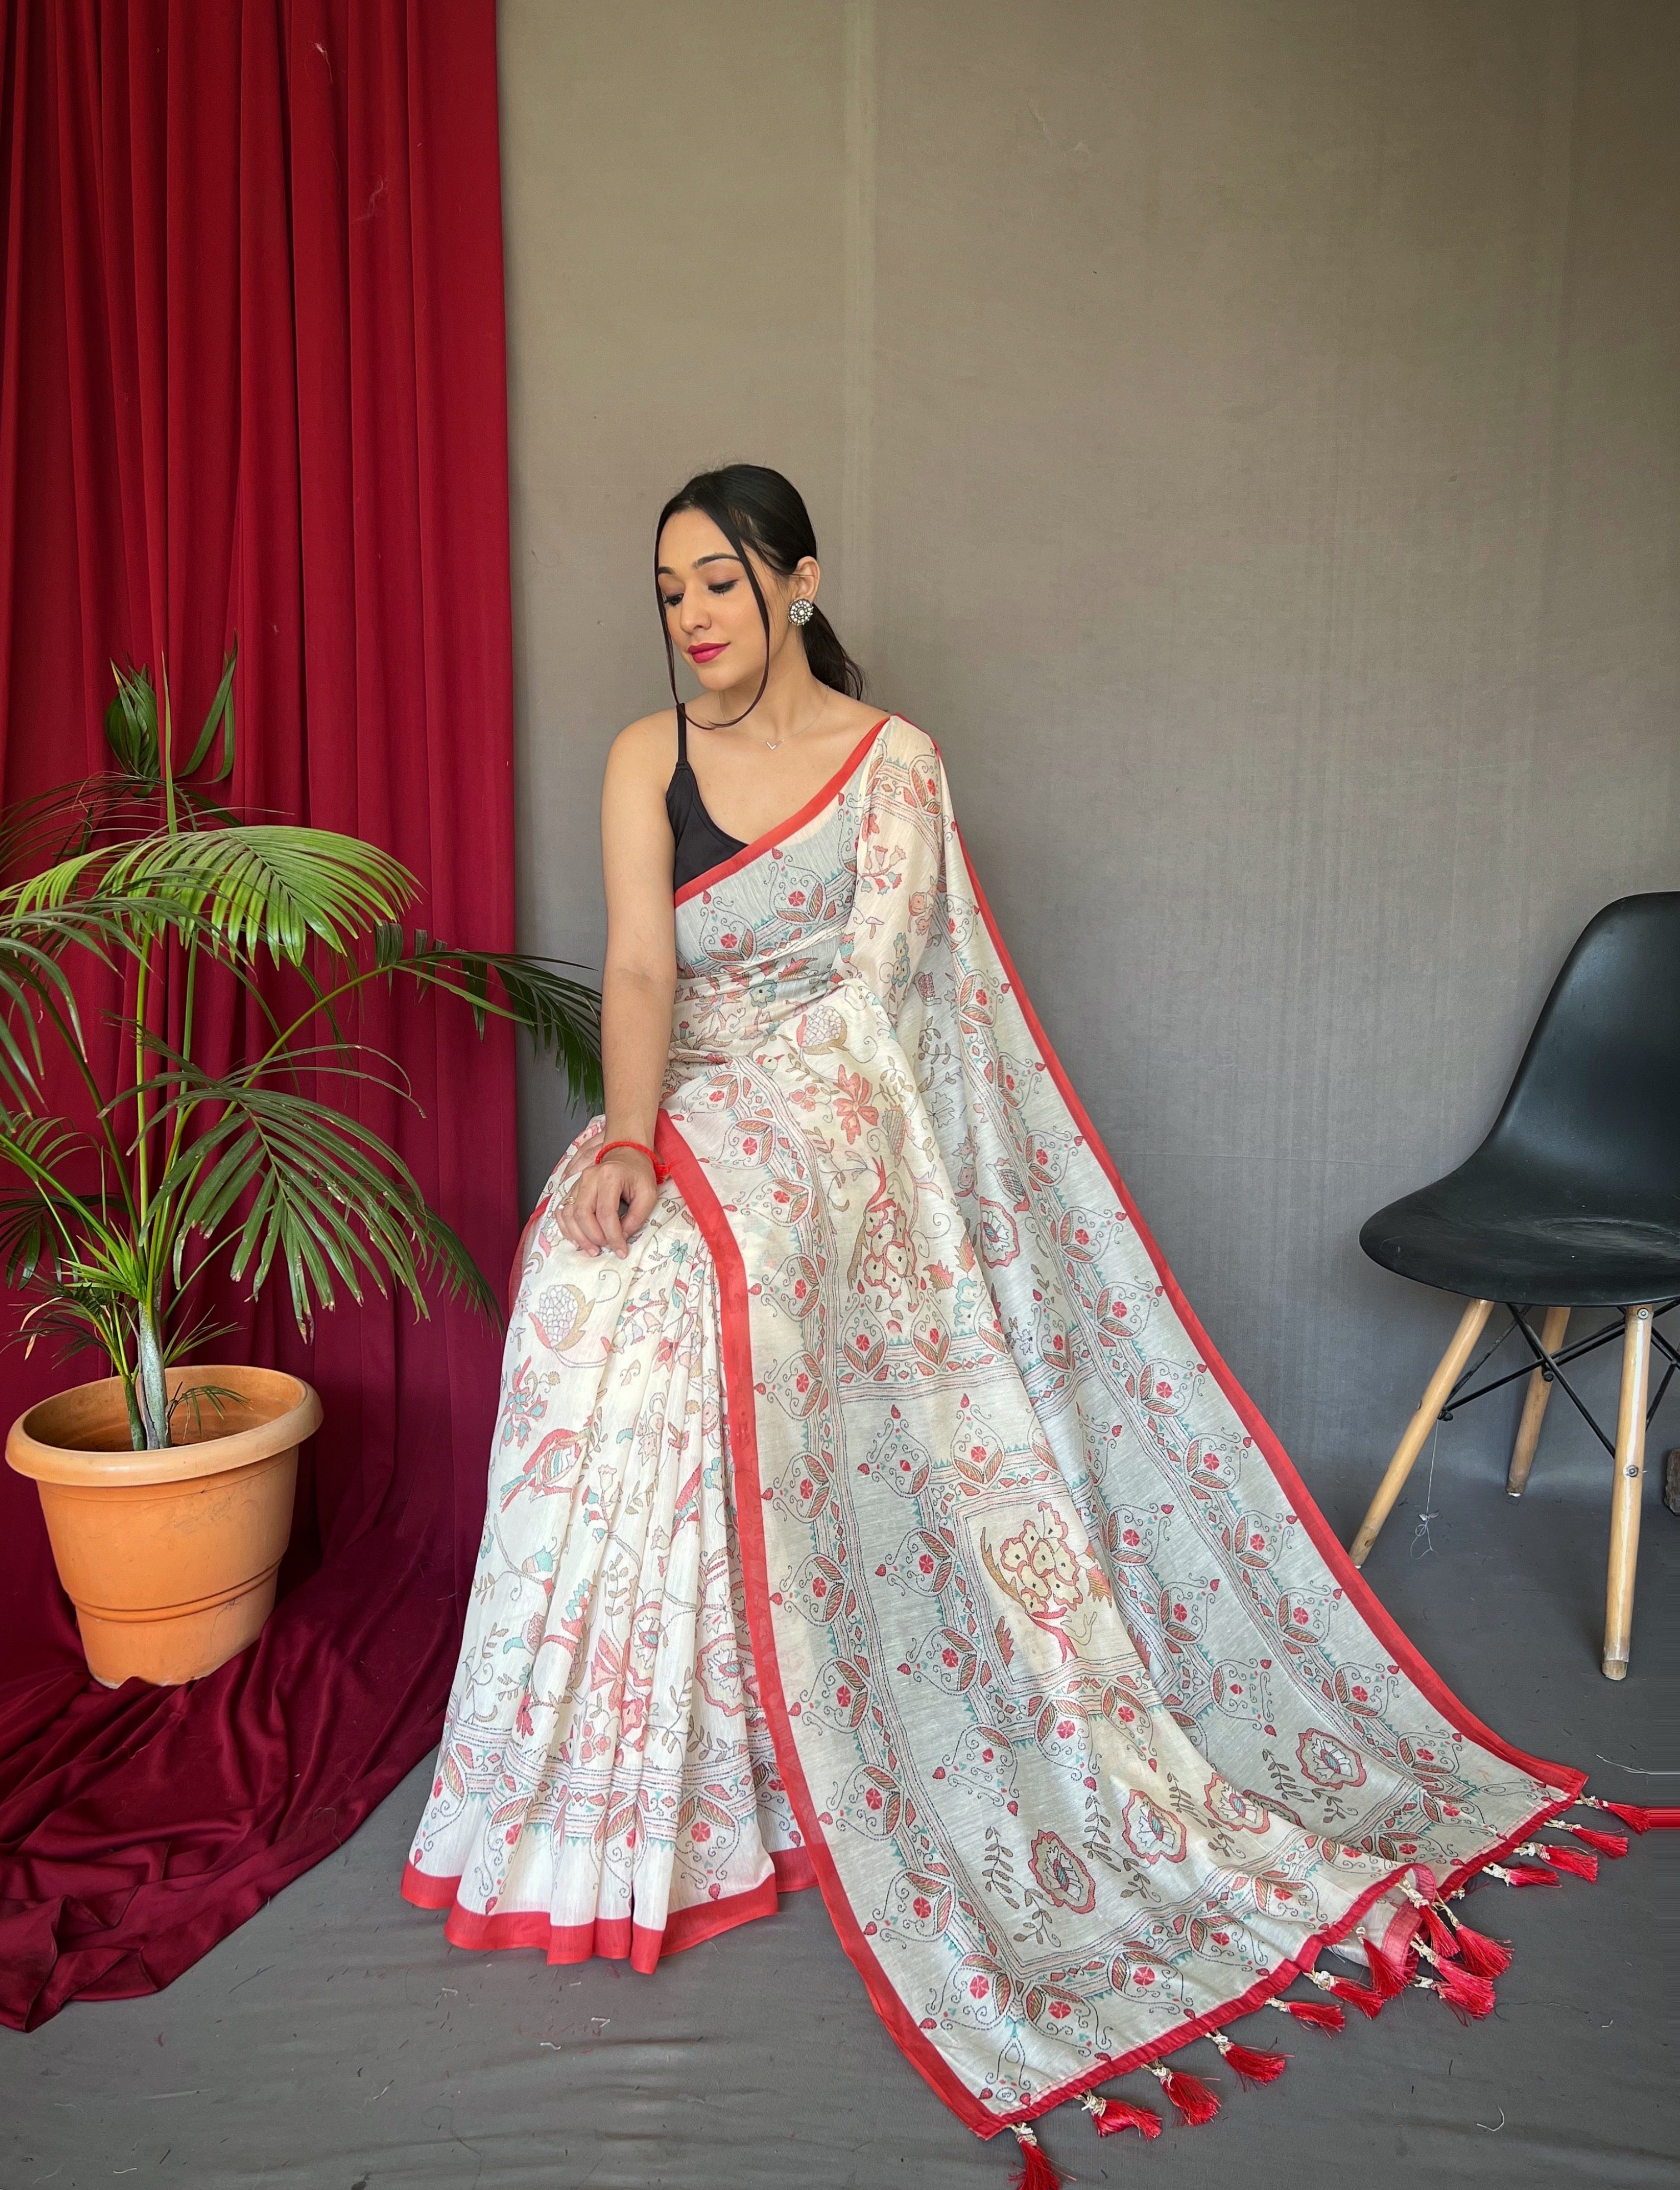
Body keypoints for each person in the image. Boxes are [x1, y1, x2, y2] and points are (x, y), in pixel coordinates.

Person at [403, 464, 1592, 2176]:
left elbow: (887, 1011)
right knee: (595, 1270)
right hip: (699, 1102)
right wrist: (639, 1142)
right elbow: (646, 976)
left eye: (721, 584)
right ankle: (631, 1790)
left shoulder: (895, 769)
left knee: (678, 1290)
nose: (693, 621)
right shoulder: (641, 759)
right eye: (668, 592)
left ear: (799, 584)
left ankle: (769, 1735)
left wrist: (746, 1151)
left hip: (842, 1119)